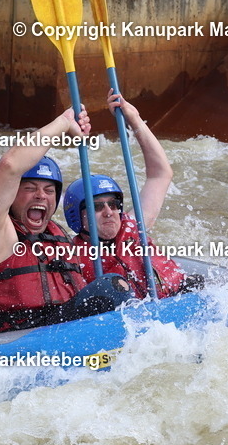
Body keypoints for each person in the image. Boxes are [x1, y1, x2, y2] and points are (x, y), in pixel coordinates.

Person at [0, 107, 134, 337]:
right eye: (30, 189)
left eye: (49, 190)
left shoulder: (55, 234)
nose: (41, 196)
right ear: (11, 194)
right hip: (10, 339)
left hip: (53, 331)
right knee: (113, 288)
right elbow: (9, 166)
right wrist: (64, 123)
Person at [63, 92, 203, 298]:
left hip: (178, 298)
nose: (109, 212)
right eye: (97, 207)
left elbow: (161, 174)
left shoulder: (134, 225)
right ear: (78, 216)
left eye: (113, 204)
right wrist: (62, 125)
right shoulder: (72, 258)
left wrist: (134, 118)